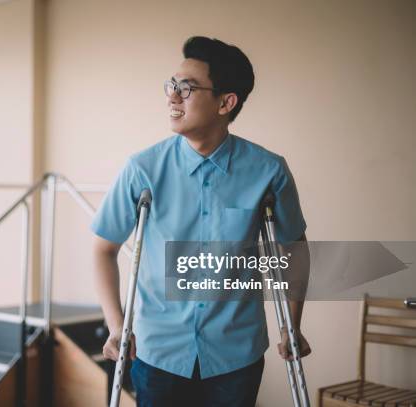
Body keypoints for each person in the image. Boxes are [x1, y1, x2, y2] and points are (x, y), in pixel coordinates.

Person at [91, 36, 311, 407]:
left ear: (226, 102)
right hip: (159, 352)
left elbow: (293, 251)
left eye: (187, 88)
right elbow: (103, 249)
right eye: (172, 85)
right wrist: (117, 325)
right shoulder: (142, 169)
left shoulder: (268, 171)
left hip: (235, 355)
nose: (172, 97)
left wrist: (293, 324)